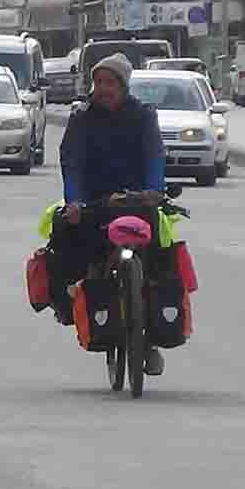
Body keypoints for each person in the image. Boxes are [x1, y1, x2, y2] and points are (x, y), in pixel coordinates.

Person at [56, 52, 168, 375]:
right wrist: (74, 201)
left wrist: (153, 190)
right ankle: (79, 307)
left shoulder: (143, 116)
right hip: (96, 205)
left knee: (159, 259)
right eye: (98, 82)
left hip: (137, 202)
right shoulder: (82, 119)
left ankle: (151, 339)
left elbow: (154, 155)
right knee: (76, 247)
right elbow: (71, 162)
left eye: (110, 83)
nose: (103, 89)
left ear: (123, 85)